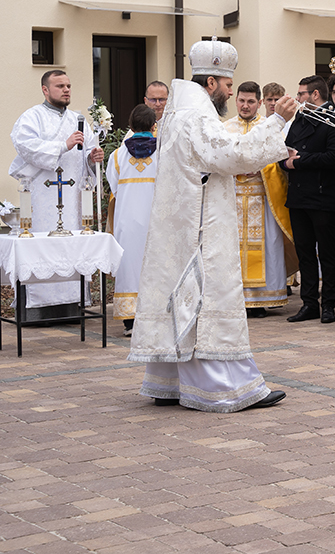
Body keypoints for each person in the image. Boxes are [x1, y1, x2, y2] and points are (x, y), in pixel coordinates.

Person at [128, 39, 296, 411]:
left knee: (182, 295)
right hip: (201, 224)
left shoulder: (175, 113)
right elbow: (232, 154)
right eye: (227, 85)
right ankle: (228, 387)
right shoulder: (197, 115)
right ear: (210, 83)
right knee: (210, 299)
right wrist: (278, 121)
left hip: (180, 222)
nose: (230, 93)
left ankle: (167, 382)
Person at [8, 69, 103, 321]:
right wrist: (63, 145)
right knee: (42, 245)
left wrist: (93, 160)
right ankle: (37, 311)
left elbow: (87, 157)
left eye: (69, 85)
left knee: (70, 246)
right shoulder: (32, 117)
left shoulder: (78, 120)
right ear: (45, 90)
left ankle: (72, 307)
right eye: (60, 85)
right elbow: (25, 146)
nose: (66, 90)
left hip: (71, 198)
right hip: (41, 196)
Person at [224, 81, 292, 317]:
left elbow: (279, 159)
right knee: (233, 249)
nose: (245, 105)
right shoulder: (225, 128)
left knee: (266, 246)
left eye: (251, 101)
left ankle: (262, 299)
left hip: (262, 199)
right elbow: (219, 159)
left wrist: (261, 167)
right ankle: (236, 298)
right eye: (241, 101)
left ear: (259, 103)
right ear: (236, 101)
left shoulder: (270, 127)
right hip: (232, 200)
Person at [283, 75, 335, 324]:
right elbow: (284, 150)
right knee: (304, 252)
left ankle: (328, 303)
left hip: (323, 196)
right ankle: (309, 303)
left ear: (315, 95)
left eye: (301, 94)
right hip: (298, 196)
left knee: (327, 253)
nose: (297, 98)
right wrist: (286, 162)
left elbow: (333, 157)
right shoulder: (299, 119)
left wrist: (299, 161)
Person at [106, 104, 158, 336]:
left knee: (129, 268)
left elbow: (114, 188)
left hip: (127, 222)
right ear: (154, 126)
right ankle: (155, 317)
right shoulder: (163, 153)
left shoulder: (117, 155)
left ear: (130, 126)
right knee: (156, 266)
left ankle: (130, 321)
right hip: (155, 220)